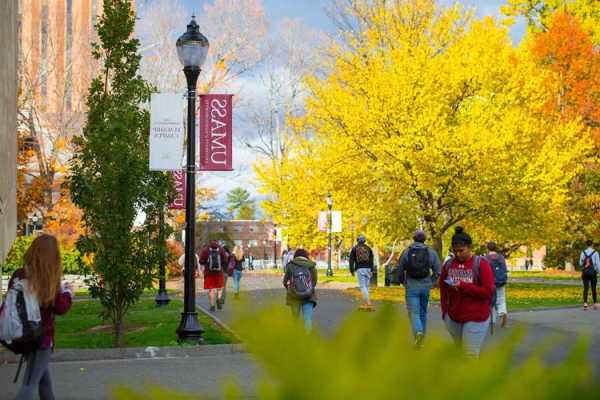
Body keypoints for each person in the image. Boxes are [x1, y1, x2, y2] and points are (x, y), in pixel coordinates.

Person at [4, 234, 73, 400]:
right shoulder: (48, 279)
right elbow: (60, 307)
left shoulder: (19, 275)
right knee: (29, 385)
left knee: (43, 381)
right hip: (40, 339)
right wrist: (68, 293)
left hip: (23, 333)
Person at [440, 226, 494, 359]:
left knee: (469, 355)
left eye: (461, 250)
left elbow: (488, 292)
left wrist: (463, 286)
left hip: (476, 317)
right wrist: (445, 312)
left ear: (470, 248)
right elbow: (443, 288)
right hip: (454, 318)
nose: (458, 254)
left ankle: (472, 380)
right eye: (455, 251)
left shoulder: (481, 264)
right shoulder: (449, 265)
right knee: (459, 354)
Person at [396, 229, 441, 347]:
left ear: (414, 239)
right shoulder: (431, 252)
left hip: (411, 285)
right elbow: (437, 271)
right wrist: (431, 282)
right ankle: (421, 340)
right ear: (424, 239)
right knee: (423, 312)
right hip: (426, 285)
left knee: (413, 312)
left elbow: (400, 269)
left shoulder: (406, 252)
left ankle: (418, 332)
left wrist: (402, 281)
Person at [283, 249, 317, 332]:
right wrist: (308, 289)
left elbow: (285, 281)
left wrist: (289, 288)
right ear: (306, 256)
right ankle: (307, 338)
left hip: (294, 296)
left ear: (296, 256)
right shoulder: (311, 266)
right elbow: (314, 281)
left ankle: (296, 337)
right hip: (308, 296)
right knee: (307, 319)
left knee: (295, 319)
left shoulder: (290, 265)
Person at [484, 241, 508, 328]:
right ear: (495, 248)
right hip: (501, 281)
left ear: (487, 248)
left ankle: (492, 320)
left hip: (490, 282)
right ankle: (502, 312)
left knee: (491, 300)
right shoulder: (501, 257)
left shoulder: (485, 258)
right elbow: (505, 269)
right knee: (501, 299)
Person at [199, 240, 228, 312]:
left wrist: (207, 263)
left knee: (211, 289)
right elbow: (225, 260)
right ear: (217, 242)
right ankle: (218, 298)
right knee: (220, 287)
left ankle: (212, 306)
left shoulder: (206, 250)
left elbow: (201, 261)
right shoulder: (221, 249)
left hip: (209, 273)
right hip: (219, 272)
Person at [349, 235, 375, 310]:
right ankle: (366, 302)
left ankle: (368, 303)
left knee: (363, 286)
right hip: (368, 269)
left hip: (360, 269)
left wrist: (351, 270)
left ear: (357, 240)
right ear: (364, 241)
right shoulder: (368, 248)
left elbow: (351, 260)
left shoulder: (354, 249)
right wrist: (372, 270)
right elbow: (371, 260)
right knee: (366, 287)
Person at [579, 239, 600, 310]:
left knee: (585, 288)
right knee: (593, 288)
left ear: (586, 245)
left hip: (585, 272)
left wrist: (585, 265)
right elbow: (598, 264)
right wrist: (598, 272)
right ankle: (595, 304)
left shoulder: (583, 252)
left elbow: (580, 263)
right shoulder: (595, 253)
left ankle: (585, 304)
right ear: (592, 244)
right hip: (593, 273)